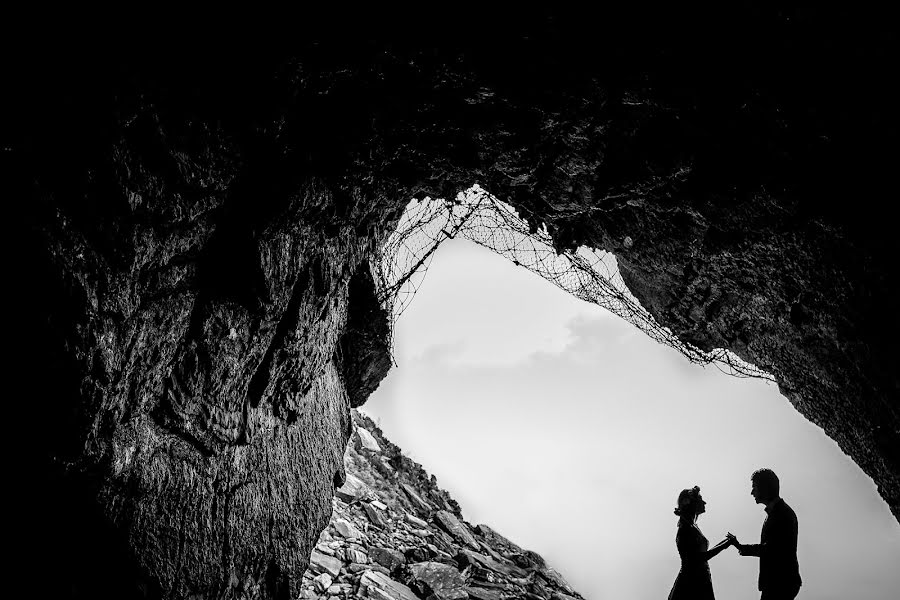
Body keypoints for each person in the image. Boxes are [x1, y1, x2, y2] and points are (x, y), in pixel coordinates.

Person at [727, 468, 802, 600]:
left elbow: (772, 549)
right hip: (780, 583)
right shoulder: (778, 512)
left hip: (779, 583)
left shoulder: (782, 514)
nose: (752, 492)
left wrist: (741, 547)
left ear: (765, 488)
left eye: (754, 487)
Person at [668, 486, 734, 600]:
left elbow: (702, 555)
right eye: (699, 499)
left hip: (700, 580)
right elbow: (699, 558)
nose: (704, 502)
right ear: (689, 503)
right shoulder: (685, 528)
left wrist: (726, 542)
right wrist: (724, 545)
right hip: (690, 585)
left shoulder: (693, 526)